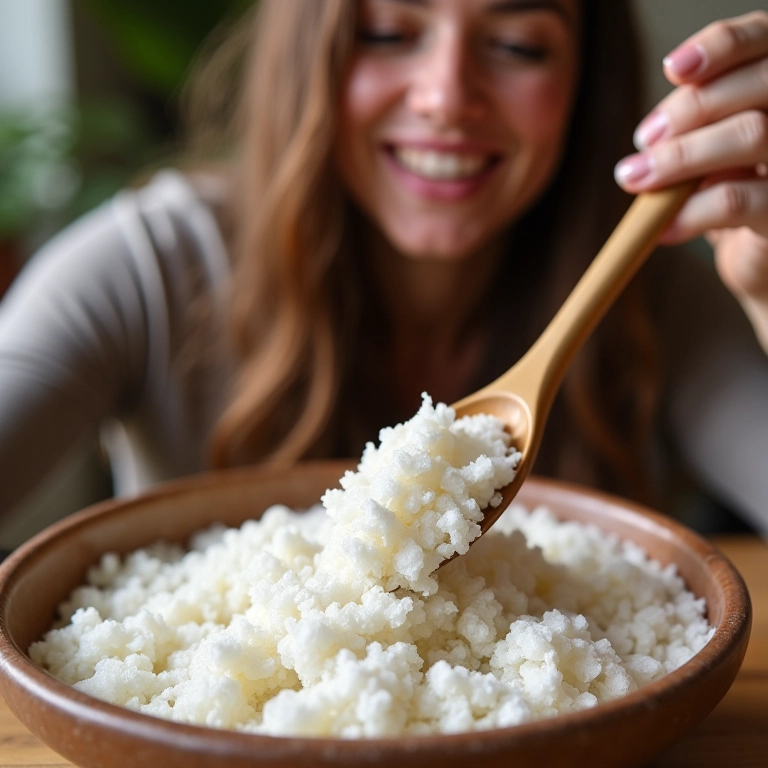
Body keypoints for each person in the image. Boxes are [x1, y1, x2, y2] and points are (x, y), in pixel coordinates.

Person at [1, 1, 767, 536]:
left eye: (518, 45)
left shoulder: (657, 294)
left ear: (584, 87)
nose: (445, 98)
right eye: (388, 32)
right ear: (306, 58)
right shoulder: (145, 270)